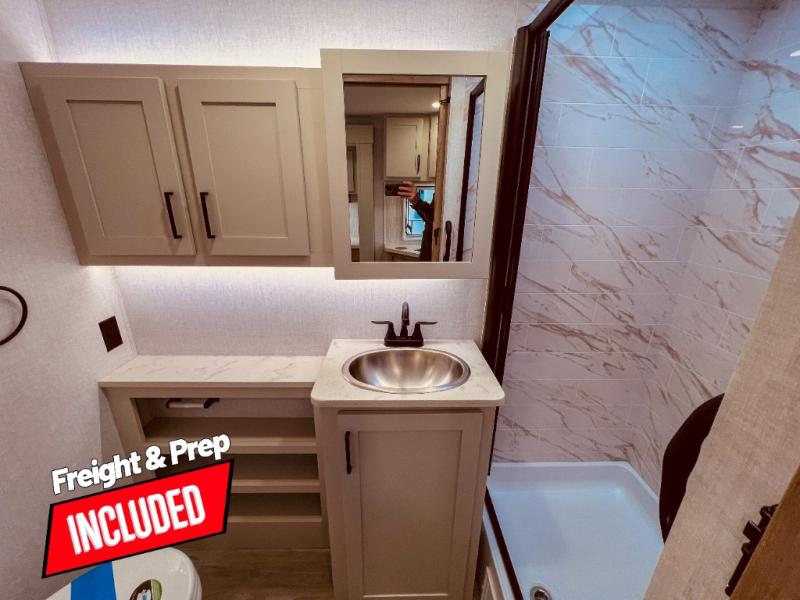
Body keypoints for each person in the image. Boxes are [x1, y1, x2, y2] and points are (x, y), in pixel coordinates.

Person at [398, 180, 434, 261]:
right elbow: (431, 217)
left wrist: (416, 200)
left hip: (430, 253)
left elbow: (432, 218)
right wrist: (415, 200)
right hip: (428, 251)